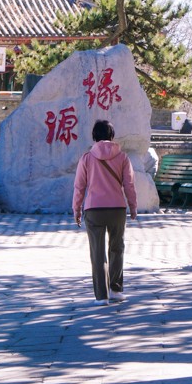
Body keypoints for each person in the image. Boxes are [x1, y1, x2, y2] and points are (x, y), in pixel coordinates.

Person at [72, 119, 138, 303]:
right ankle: (116, 290)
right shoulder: (123, 158)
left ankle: (101, 296)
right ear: (112, 135)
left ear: (94, 136)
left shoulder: (86, 158)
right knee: (117, 248)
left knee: (97, 252)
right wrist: (133, 206)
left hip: (94, 209)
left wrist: (76, 209)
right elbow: (129, 185)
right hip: (117, 208)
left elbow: (79, 187)